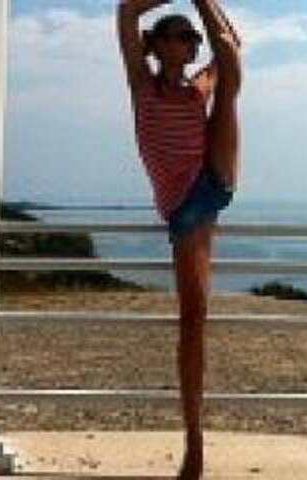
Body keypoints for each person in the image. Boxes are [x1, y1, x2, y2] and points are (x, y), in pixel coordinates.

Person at [116, 0, 241, 477]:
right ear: (159, 44)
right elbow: (127, 11)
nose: (191, 43)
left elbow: (230, 47)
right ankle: (194, 438)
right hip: (182, 206)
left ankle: (194, 443)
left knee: (229, 80)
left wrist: (202, 1)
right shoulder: (141, 84)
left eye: (193, 38)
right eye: (182, 36)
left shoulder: (198, 87)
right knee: (192, 320)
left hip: (213, 178)